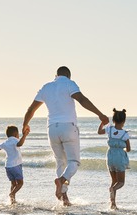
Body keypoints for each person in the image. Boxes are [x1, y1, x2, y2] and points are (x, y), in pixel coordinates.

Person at [23, 66, 109, 206]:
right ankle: (62, 181)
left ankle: (64, 198)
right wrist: (100, 115)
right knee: (74, 162)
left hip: (52, 129)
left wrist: (25, 124)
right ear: (68, 76)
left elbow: (31, 109)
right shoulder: (70, 84)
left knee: (60, 162)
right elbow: (82, 100)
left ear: (55, 75)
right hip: (68, 127)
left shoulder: (46, 87)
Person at [98, 108, 131, 210]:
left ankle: (113, 204)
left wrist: (102, 123)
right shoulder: (125, 134)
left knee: (114, 180)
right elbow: (128, 149)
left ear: (113, 120)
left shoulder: (109, 129)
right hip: (119, 157)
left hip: (110, 155)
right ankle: (113, 190)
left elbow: (99, 132)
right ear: (124, 121)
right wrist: (123, 150)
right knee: (120, 182)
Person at [0, 125, 28, 205]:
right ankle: (12, 194)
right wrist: (25, 135)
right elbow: (20, 144)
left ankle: (12, 200)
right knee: (20, 183)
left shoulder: (6, 142)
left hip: (8, 166)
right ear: (16, 134)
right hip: (16, 165)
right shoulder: (15, 140)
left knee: (13, 183)